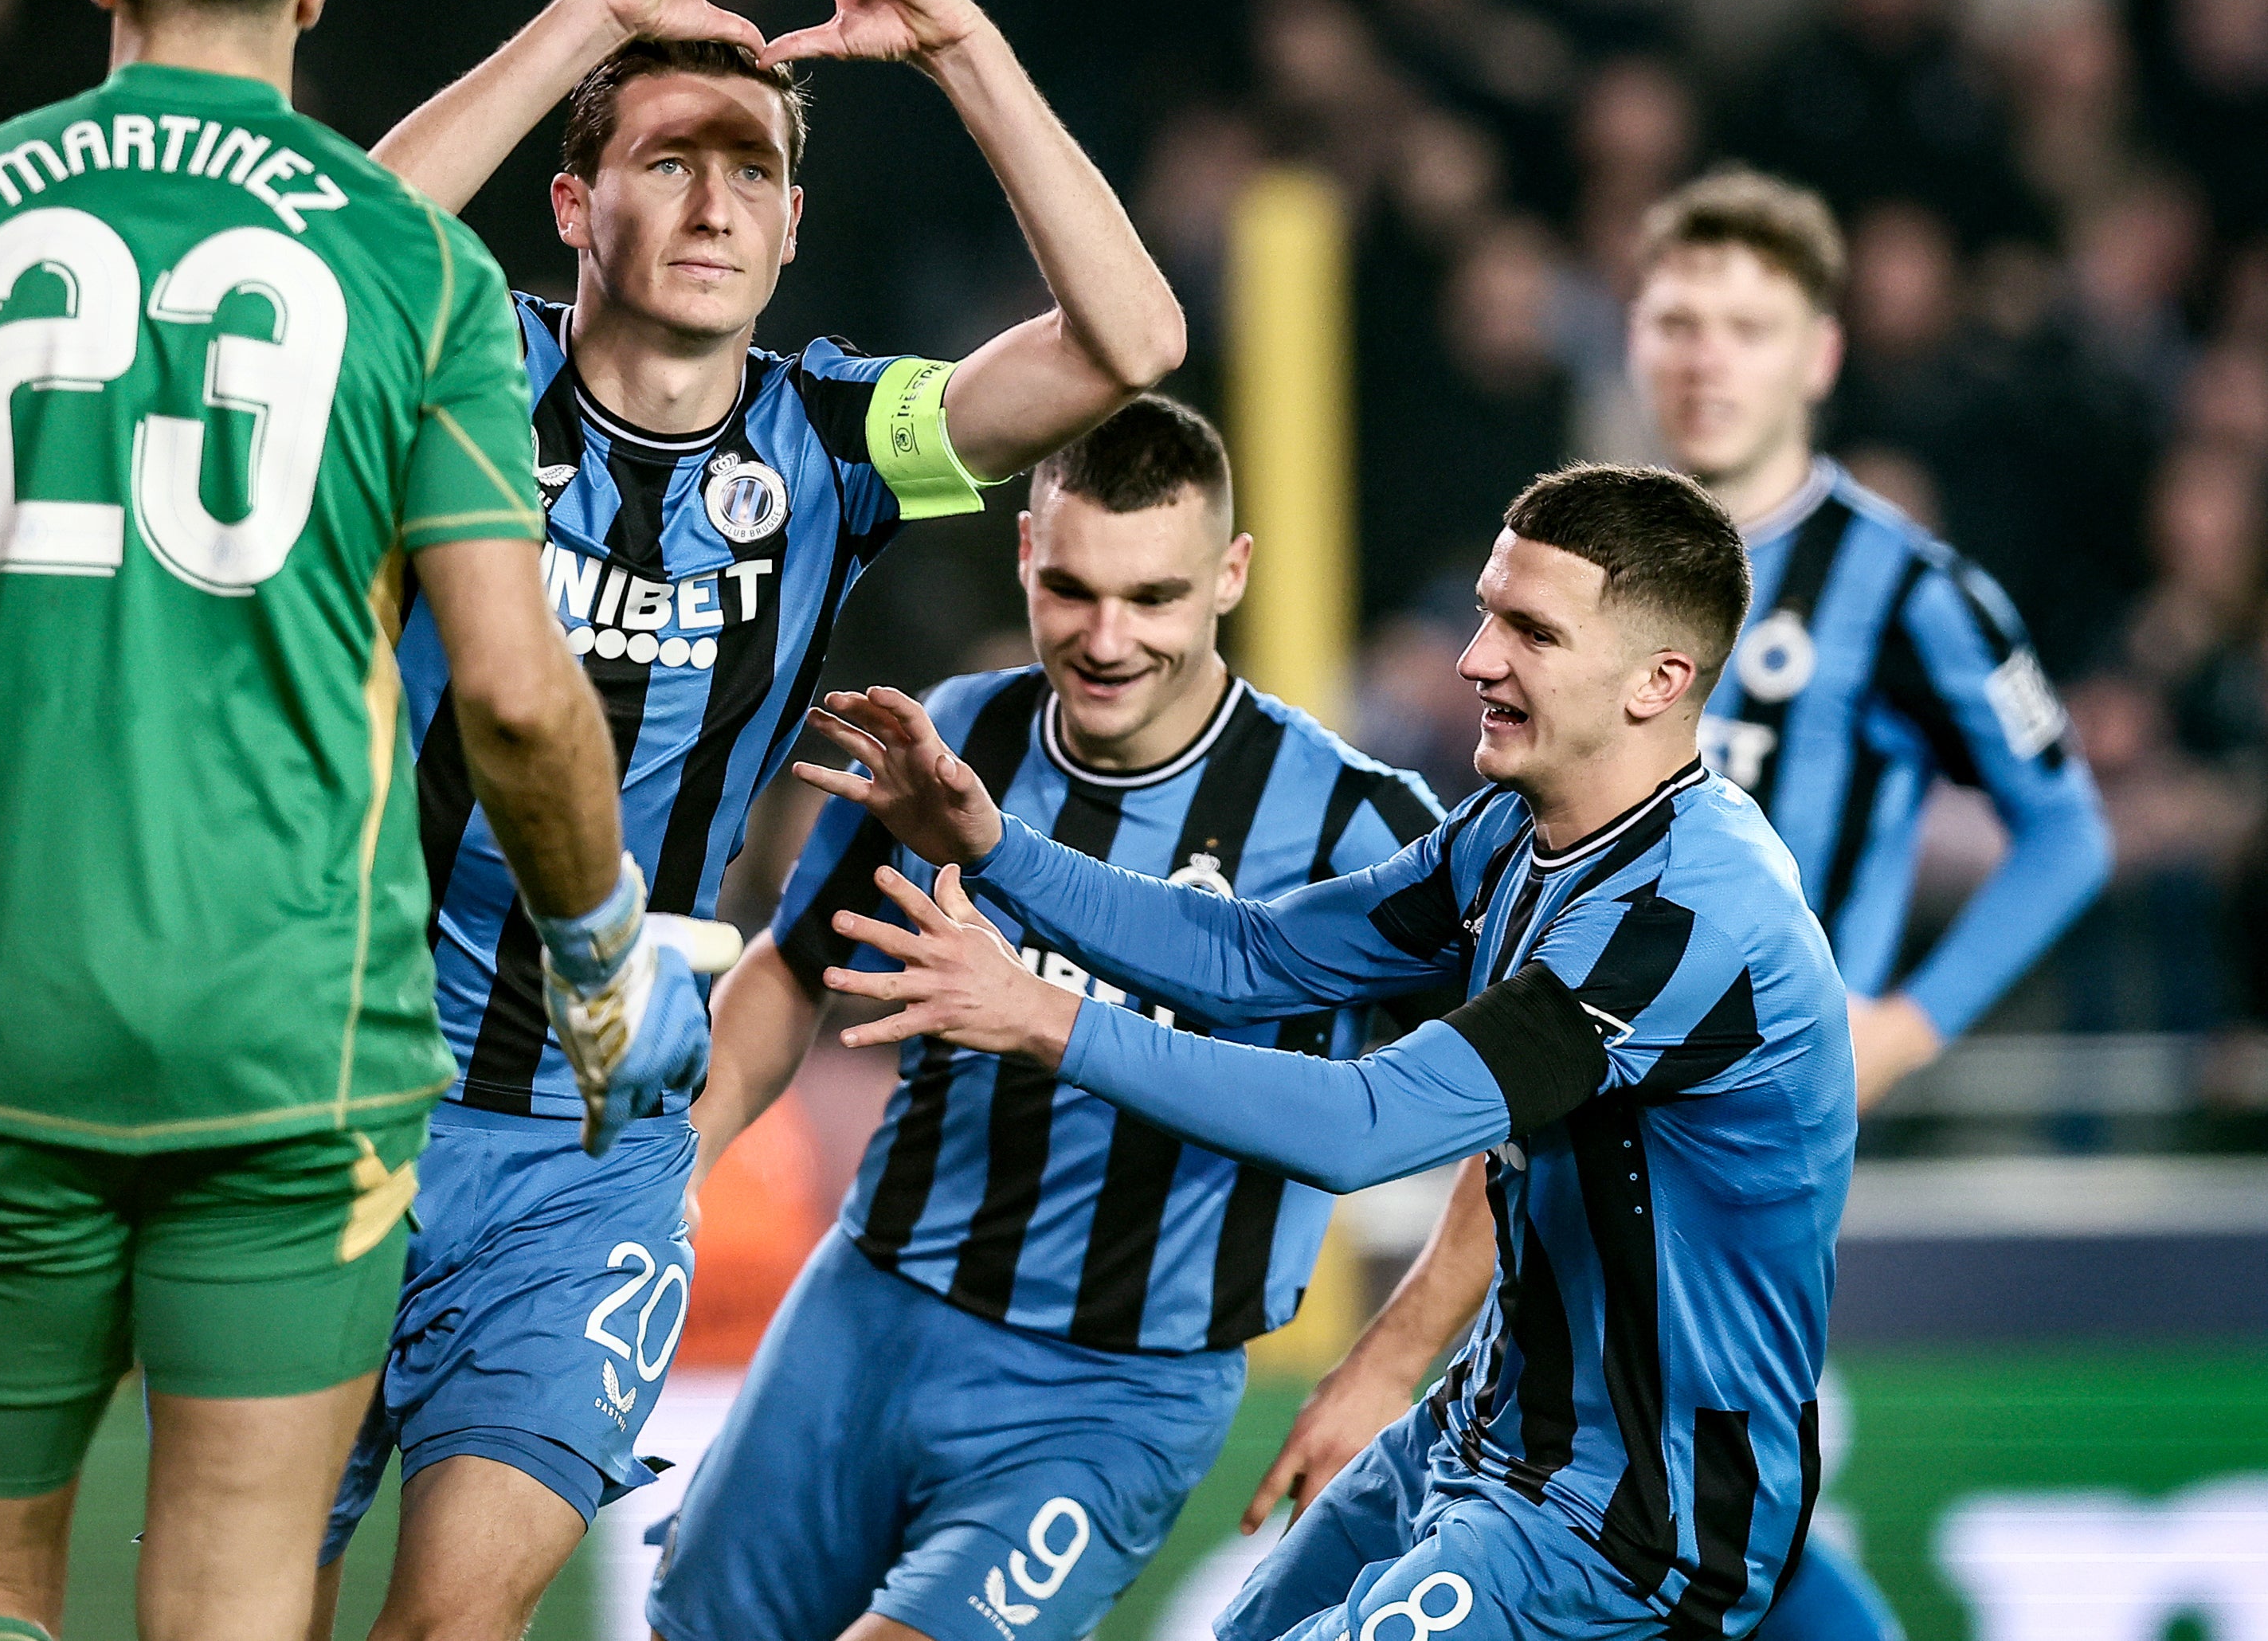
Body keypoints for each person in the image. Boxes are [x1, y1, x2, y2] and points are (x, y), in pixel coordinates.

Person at [0, 0, 710, 1641]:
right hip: (290, 1054)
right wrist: (596, 953)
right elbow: (515, 692)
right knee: (233, 1598)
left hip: (3, 1037)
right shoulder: (409, 265)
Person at [318, 0, 1190, 1641]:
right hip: (331, 1088)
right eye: (663, 156)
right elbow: (321, 253)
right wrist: (595, 9)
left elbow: (1130, 345)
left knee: (447, 1627)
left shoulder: (837, 434)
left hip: (588, 1149)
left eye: (753, 170)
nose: (713, 199)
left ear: (795, 225)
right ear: (569, 200)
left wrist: (955, 45)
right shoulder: (460, 358)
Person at [1242, 169, 2112, 1641]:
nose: (1706, 358)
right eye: (1676, 322)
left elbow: (2066, 835)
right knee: (1652, 1507)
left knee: (1675, 1510)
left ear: (1820, 357)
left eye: (1748, 327)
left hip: (1738, 1138)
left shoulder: (1901, 589)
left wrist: (1906, 1021)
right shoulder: (1586, 561)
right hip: (1581, 1093)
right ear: (1629, 340)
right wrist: (1393, 1354)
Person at [800, 463, 1854, 1641]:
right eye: (1486, 611)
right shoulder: (1513, 827)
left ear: (1662, 682)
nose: (1475, 660)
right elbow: (1258, 955)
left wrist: (1041, 1017)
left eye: (1532, 632)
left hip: (1629, 1518)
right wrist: (998, 850)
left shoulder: (1686, 920)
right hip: (1485, 1432)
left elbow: (1365, 1126)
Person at [647, 394, 1446, 1641]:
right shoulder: (955, 734)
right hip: (868, 1312)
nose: (1108, 637)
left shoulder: (1359, 828)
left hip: (1115, 1394)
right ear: (1025, 550)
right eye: (1072, 588)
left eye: (1155, 598)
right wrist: (668, 1173)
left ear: (1231, 575)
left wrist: (1394, 1366)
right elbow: (795, 969)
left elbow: (1538, 1106)